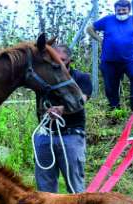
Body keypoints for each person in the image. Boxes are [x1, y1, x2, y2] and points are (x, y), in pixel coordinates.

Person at [33, 44, 93, 194]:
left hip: (71, 136)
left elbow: (81, 100)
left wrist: (62, 110)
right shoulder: (43, 79)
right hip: (45, 135)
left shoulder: (81, 78)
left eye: (62, 60)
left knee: (75, 186)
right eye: (55, 60)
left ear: (69, 60)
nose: (59, 63)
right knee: (44, 187)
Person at [86, 0, 133, 111]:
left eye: (124, 10)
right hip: (109, 61)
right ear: (115, 10)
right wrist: (99, 39)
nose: (121, 12)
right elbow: (89, 28)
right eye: (119, 10)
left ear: (129, 10)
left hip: (130, 60)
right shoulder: (108, 20)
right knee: (111, 85)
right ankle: (115, 109)